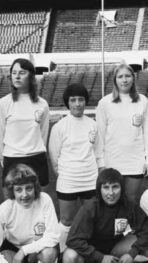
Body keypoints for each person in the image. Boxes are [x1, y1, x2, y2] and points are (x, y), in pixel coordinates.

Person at [62, 168, 148, 263]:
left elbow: (146, 231)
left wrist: (132, 254)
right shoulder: (89, 208)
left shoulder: (129, 206)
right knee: (69, 257)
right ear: (99, 189)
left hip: (116, 248)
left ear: (122, 188)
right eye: (106, 187)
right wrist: (100, 257)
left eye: (115, 187)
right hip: (91, 252)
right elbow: (73, 240)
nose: (111, 193)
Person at [0, 164, 60, 263]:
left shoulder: (44, 200)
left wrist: (24, 251)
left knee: (49, 253)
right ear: (12, 191)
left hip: (36, 251)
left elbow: (53, 237)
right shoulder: (6, 207)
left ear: (35, 188)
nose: (24, 194)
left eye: (29, 188)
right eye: (19, 190)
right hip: (12, 249)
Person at [48, 83, 100, 252]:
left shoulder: (93, 125)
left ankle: (89, 250)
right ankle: (62, 253)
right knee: (66, 220)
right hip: (68, 180)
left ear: (86, 101)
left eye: (81, 99)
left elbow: (98, 152)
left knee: (91, 217)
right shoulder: (60, 127)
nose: (77, 104)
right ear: (67, 103)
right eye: (73, 100)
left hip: (90, 180)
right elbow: (54, 157)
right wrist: (64, 174)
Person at [95, 63, 148, 203]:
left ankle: (129, 225)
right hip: (112, 160)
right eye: (120, 77)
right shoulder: (104, 103)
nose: (124, 80)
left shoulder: (143, 101)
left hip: (135, 160)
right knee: (112, 200)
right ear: (115, 80)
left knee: (131, 199)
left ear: (133, 78)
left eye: (127, 76)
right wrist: (101, 162)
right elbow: (100, 135)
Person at [0, 58, 50, 187]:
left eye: (22, 72)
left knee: (40, 202)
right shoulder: (4, 103)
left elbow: (43, 134)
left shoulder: (42, 104)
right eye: (14, 72)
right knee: (13, 204)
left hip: (37, 159)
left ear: (31, 76)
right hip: (12, 159)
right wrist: (4, 160)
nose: (17, 76)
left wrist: (37, 149)